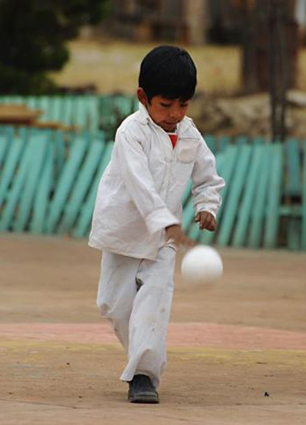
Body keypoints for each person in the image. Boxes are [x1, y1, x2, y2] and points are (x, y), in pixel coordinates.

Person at [89, 45, 225, 404]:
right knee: (113, 306)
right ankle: (140, 358)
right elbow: (140, 185)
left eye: (183, 105)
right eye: (166, 105)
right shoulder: (130, 133)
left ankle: (144, 376)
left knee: (153, 304)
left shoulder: (191, 135)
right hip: (123, 233)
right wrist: (165, 221)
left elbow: (208, 178)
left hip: (164, 244)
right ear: (143, 97)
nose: (175, 114)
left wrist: (206, 206)